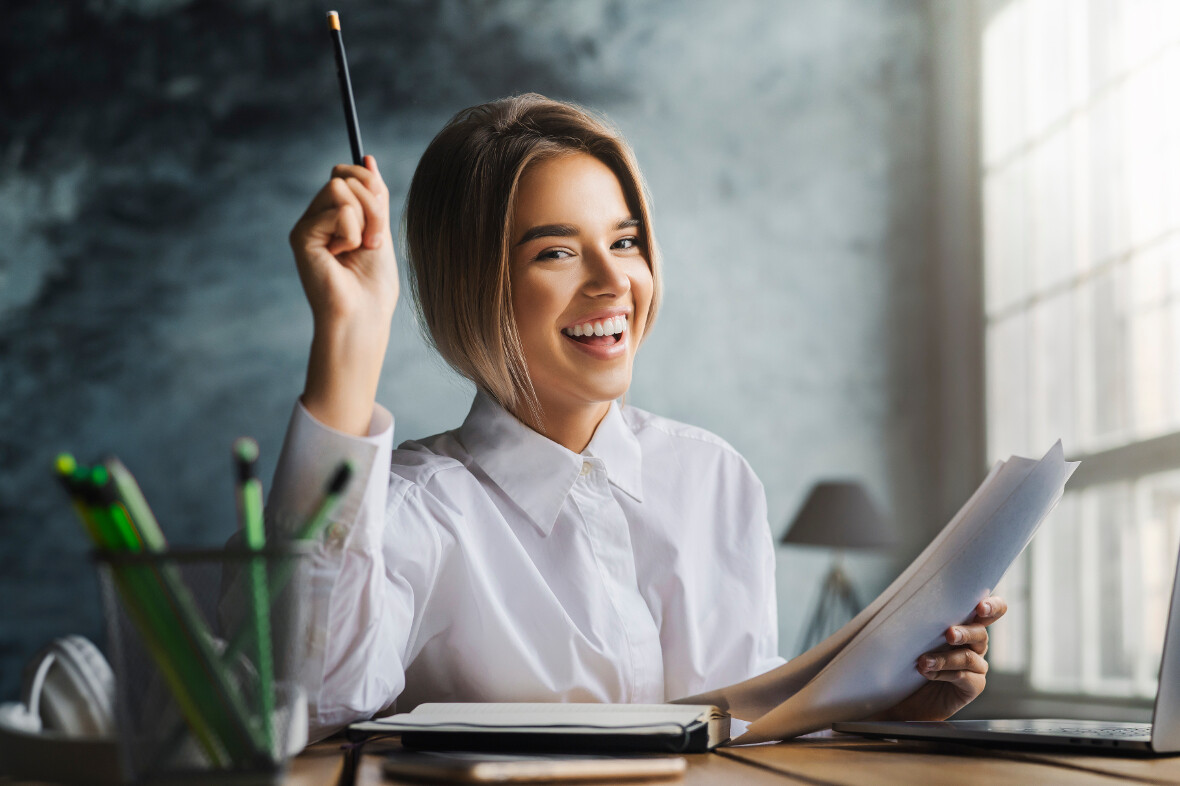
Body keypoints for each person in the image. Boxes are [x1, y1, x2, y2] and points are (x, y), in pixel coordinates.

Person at [267, 94, 1006, 742]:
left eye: (624, 242)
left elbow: (747, 735)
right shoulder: (410, 511)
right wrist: (349, 341)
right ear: (473, 285)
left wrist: (884, 709)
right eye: (556, 252)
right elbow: (303, 701)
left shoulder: (714, 477)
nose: (613, 280)